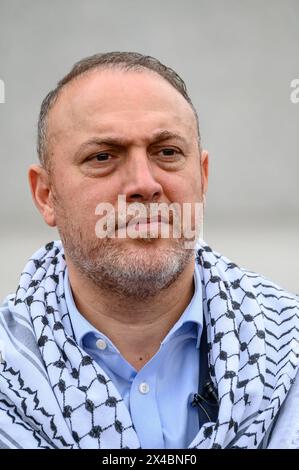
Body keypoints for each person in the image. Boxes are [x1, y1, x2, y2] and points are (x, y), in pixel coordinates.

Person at [0, 52, 298, 450]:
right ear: (46, 195)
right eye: (103, 157)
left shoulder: (287, 354)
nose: (144, 184)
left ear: (202, 178)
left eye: (167, 152)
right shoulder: (9, 378)